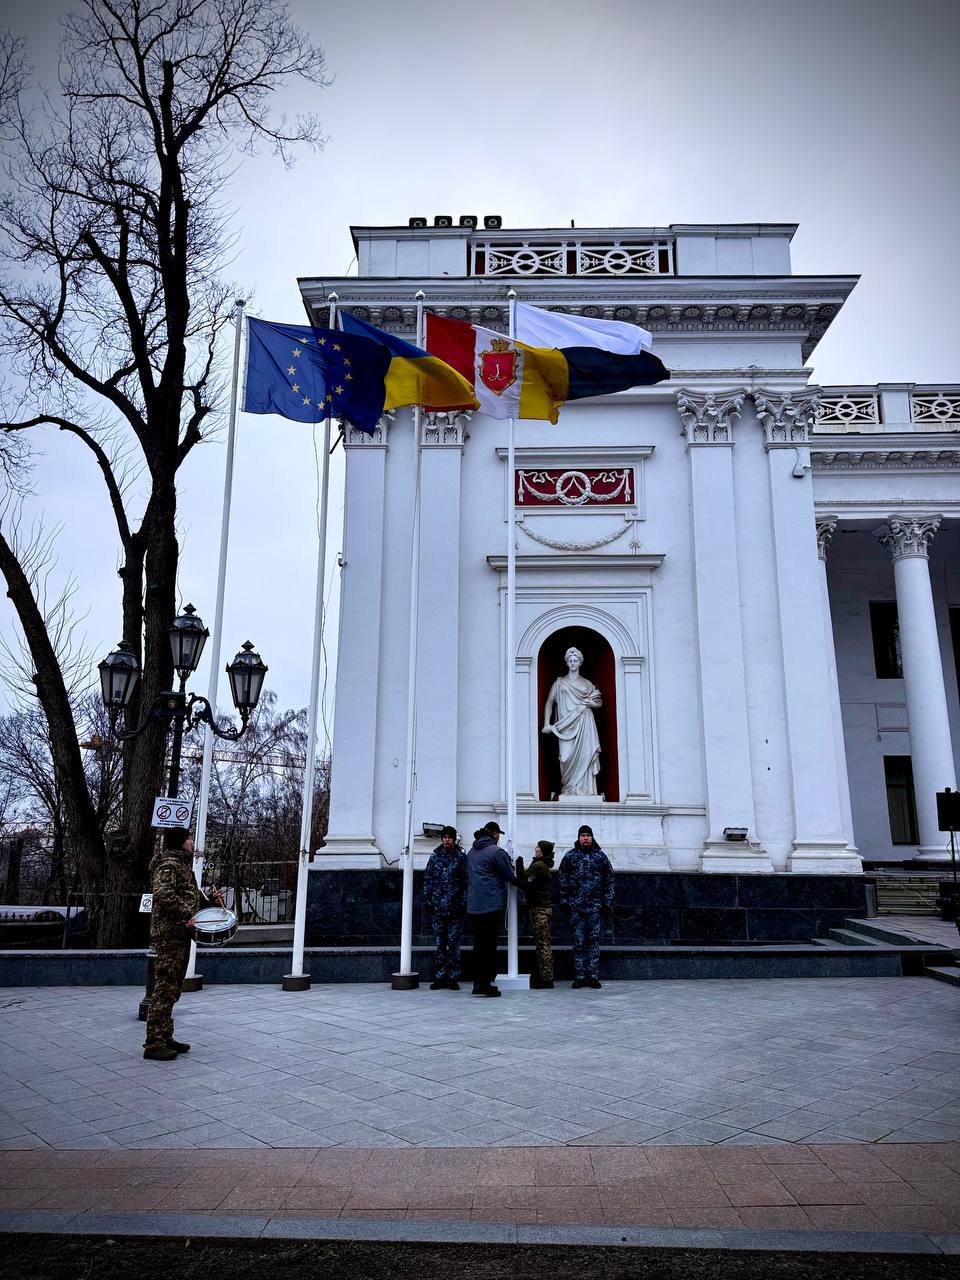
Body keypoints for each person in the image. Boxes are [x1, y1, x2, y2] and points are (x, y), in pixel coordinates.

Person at [143, 831, 218, 1061]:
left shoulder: (181, 865)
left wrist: (210, 902)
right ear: (179, 842)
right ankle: (154, 1043)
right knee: (164, 987)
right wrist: (189, 914)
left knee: (173, 987)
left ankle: (165, 1035)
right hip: (169, 934)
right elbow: (164, 896)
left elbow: (190, 896)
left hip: (179, 934)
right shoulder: (168, 865)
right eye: (188, 838)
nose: (192, 841)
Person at [557, 824, 614, 989]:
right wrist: (564, 900)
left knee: (594, 942)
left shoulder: (600, 857)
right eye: (582, 835)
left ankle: (593, 976)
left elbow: (609, 879)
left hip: (595, 907)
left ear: (592, 838)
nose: (585, 838)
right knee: (578, 942)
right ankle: (580, 976)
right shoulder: (570, 856)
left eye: (588, 835)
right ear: (578, 838)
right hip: (576, 907)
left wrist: (607, 901)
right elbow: (562, 878)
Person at [541, 646, 602, 796]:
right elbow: (549, 702)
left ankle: (584, 790)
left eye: (575, 660)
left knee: (585, 755)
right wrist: (546, 723)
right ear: (567, 663)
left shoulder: (587, 684)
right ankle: (569, 789)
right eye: (570, 660)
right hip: (564, 726)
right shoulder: (559, 683)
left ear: (580, 662)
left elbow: (598, 702)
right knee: (565, 757)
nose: (573, 663)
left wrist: (590, 704)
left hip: (584, 722)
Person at [466, 820, 518, 997]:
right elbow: (509, 875)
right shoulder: (496, 852)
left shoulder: (472, 851)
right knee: (489, 946)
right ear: (494, 834)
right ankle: (486, 984)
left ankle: (477, 983)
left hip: (474, 905)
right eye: (498, 834)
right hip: (490, 905)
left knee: (478, 945)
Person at [423, 825, 468, 990]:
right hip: (437, 908)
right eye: (445, 837)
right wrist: (428, 900)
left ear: (454, 839)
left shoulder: (460, 857)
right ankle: (440, 976)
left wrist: (462, 903)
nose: (447, 840)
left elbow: (466, 882)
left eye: (450, 837)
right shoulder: (434, 857)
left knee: (454, 944)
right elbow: (428, 878)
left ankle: (453, 977)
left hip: (454, 908)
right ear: (442, 839)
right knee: (440, 943)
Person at [515, 839, 555, 989]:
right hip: (541, 908)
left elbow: (524, 882)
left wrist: (518, 868)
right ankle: (545, 976)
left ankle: (546, 978)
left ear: (542, 851)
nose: (535, 848)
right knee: (543, 943)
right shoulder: (541, 865)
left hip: (540, 909)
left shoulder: (538, 866)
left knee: (542, 944)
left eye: (538, 847)